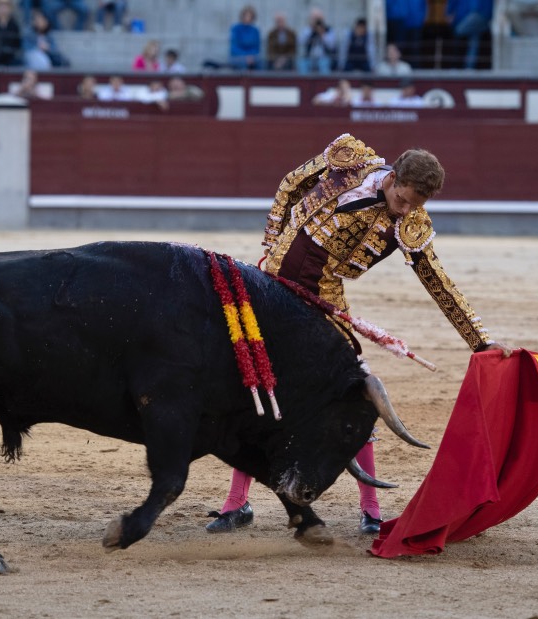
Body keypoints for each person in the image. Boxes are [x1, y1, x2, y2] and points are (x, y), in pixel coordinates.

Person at [206, 133, 512, 535]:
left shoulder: (412, 224)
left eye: (415, 206)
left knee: (356, 396)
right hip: (270, 284)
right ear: (393, 177)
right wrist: (270, 245)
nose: (404, 211)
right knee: (254, 385)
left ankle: (370, 509)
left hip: (323, 299)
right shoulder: (348, 159)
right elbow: (288, 185)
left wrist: (481, 341)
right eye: (403, 200)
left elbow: (438, 282)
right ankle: (236, 504)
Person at [446, 0, 494, 69]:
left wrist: (449, 12)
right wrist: (449, 12)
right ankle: (469, 67)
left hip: (479, 14)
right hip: (471, 15)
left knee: (459, 31)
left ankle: (457, 66)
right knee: (474, 42)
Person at [385, 0, 426, 66]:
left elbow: (423, 6)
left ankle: (414, 67)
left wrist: (420, 19)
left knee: (414, 48)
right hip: (397, 20)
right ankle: (396, 65)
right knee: (399, 45)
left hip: (414, 23)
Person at [229, 5, 262, 71]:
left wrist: (251, 56)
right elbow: (234, 47)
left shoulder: (255, 30)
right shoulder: (236, 29)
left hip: (252, 57)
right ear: (242, 16)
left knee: (261, 63)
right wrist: (245, 56)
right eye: (246, 16)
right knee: (243, 64)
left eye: (250, 16)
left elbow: (256, 48)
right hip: (238, 57)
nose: (247, 18)